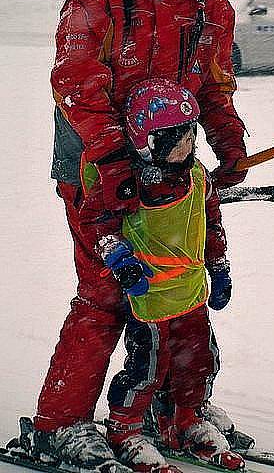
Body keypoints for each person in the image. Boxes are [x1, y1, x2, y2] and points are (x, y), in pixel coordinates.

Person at [33, 0, 247, 469]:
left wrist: (229, 146)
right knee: (107, 293)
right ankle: (61, 423)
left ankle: (175, 409)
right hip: (92, 161)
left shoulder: (212, 7)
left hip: (170, 165)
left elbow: (213, 88)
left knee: (181, 289)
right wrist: (111, 155)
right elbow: (76, 74)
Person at [79, 79, 244, 473]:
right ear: (145, 142)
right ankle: (125, 429)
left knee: (200, 360)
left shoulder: (198, 178)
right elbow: (98, 225)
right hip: (149, 298)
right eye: (173, 141)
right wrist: (119, 258)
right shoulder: (128, 185)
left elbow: (211, 222)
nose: (185, 148)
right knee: (148, 366)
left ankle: (184, 422)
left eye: (190, 137)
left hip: (190, 295)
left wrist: (218, 266)